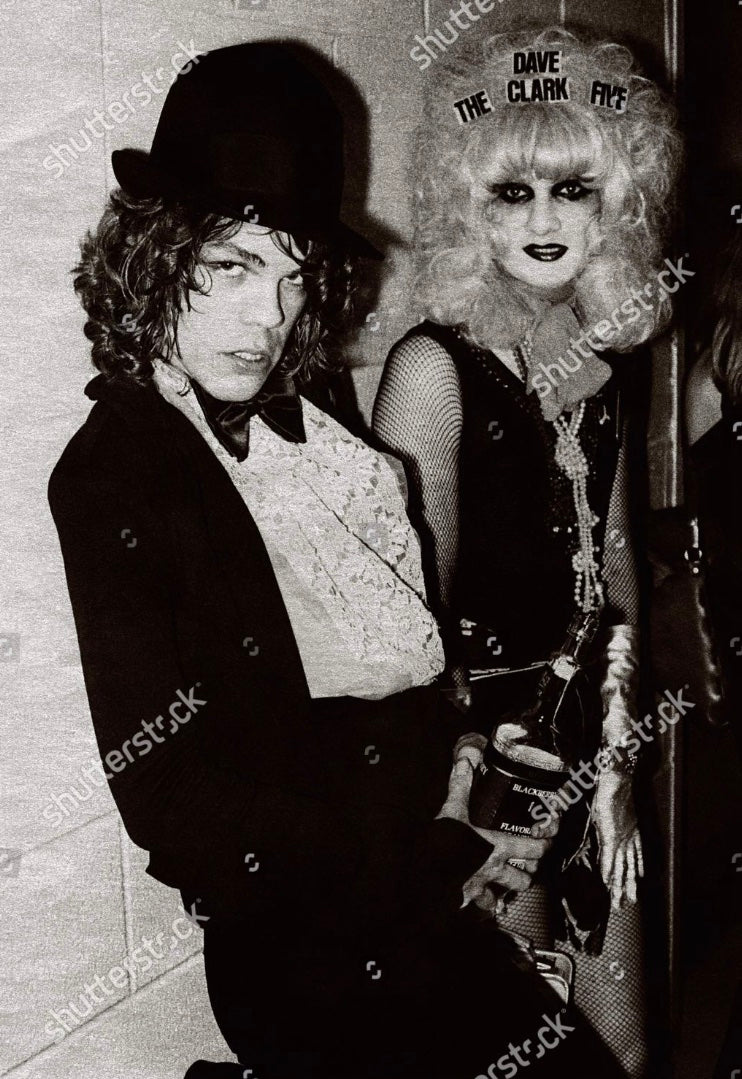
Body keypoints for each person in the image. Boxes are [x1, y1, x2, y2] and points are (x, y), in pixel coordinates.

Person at [47, 40, 627, 1079]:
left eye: (291, 274)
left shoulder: (308, 416)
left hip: (420, 901)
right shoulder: (115, 471)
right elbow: (168, 797)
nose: (267, 317)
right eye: (230, 266)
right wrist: (429, 849)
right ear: (155, 256)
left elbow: (389, 659)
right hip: (302, 945)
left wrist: (469, 760)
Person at [373, 26, 681, 1078]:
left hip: (593, 738)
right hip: (486, 765)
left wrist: (622, 742)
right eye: (513, 193)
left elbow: (617, 561)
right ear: (469, 206)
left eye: (573, 190)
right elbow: (409, 630)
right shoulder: (432, 369)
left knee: (623, 1039)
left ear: (617, 201)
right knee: (526, 1047)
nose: (545, 221)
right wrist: (468, 801)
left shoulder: (604, 355)